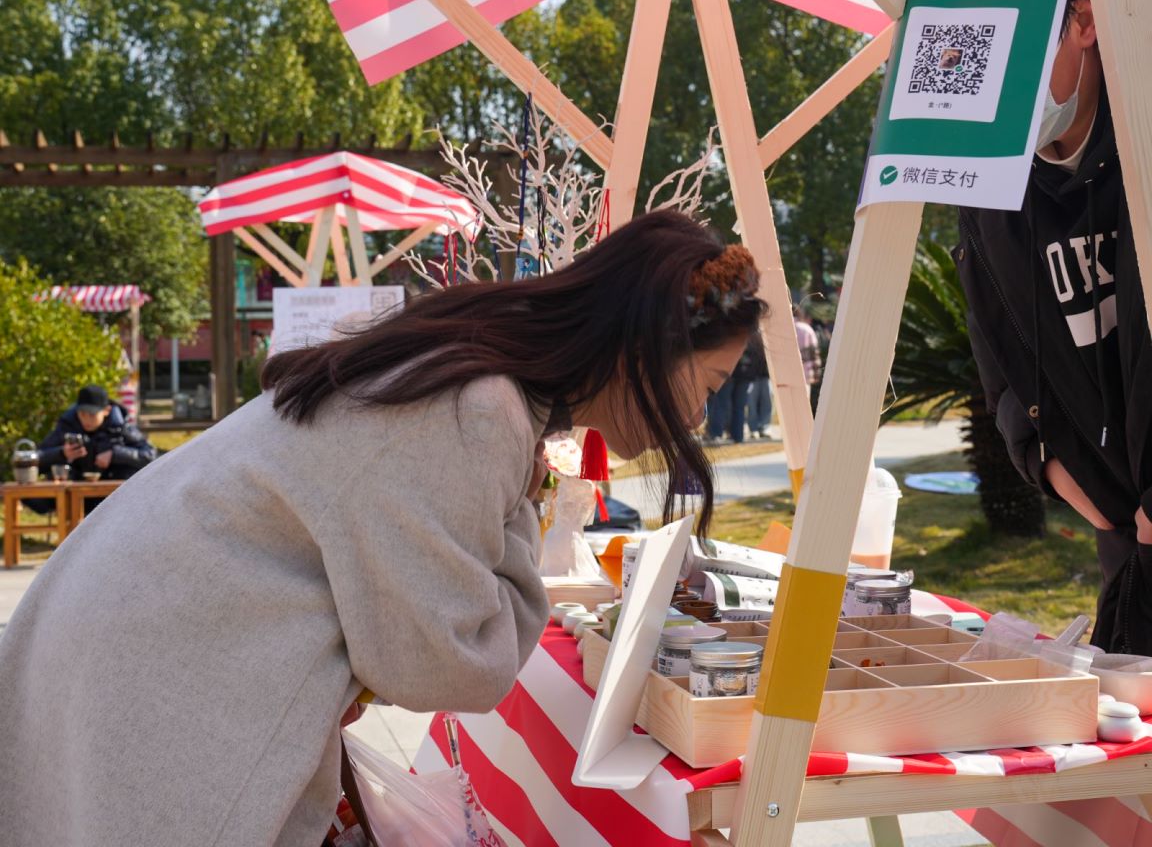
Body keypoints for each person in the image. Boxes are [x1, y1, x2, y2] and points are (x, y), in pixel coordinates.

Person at [0, 210, 765, 846]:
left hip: (123, 642)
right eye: (709, 382)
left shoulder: (470, 371)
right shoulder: (479, 408)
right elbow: (450, 668)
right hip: (155, 684)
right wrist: (524, 504)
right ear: (645, 348)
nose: (700, 416)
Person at [954, 0, 1152, 654]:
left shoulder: (1142, 141)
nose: (998, 80)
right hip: (1124, 541)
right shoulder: (988, 193)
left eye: (1015, 46)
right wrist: (1082, 490)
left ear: (1085, 21)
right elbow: (1002, 372)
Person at [37, 384, 156, 483]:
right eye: (82, 414)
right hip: (75, 494)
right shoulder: (67, 426)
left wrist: (115, 454)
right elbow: (38, 458)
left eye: (92, 415)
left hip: (115, 494)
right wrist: (62, 453)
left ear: (106, 411)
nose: (86, 420)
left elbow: (150, 455)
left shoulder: (120, 427)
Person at [794, 308, 823, 412]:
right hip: (805, 373)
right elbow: (815, 354)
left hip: (787, 374)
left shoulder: (782, 328)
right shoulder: (807, 329)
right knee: (804, 407)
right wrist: (816, 374)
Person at [744, 335, 772, 439]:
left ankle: (764, 427)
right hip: (752, 376)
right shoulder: (749, 335)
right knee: (751, 404)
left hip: (765, 375)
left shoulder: (767, 335)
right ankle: (753, 429)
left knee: (766, 402)